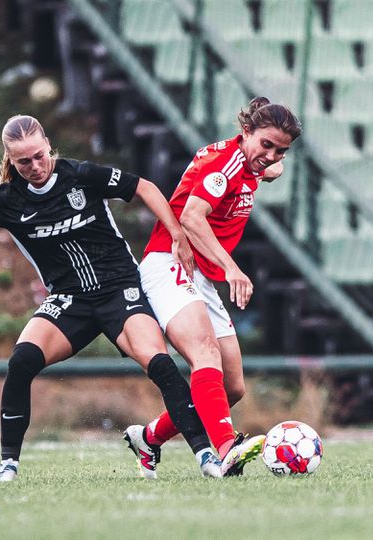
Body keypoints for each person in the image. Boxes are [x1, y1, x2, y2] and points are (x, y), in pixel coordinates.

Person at [0, 114, 241, 482]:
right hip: (70, 300)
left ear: (49, 147)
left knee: (159, 363)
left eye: (39, 156)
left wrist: (175, 233)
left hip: (119, 290)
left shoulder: (82, 175)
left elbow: (145, 187)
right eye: (23, 162)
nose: (35, 166)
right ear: (10, 160)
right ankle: (8, 465)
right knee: (21, 361)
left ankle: (205, 457)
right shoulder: (8, 200)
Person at [122, 97, 302, 478]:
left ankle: (150, 438)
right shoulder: (225, 164)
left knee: (232, 387)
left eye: (280, 150)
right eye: (265, 145)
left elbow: (271, 169)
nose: (270, 155)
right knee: (204, 351)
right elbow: (191, 217)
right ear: (245, 133)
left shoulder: (251, 164)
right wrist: (234, 270)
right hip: (169, 262)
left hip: (201, 274)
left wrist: (269, 166)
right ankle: (225, 449)